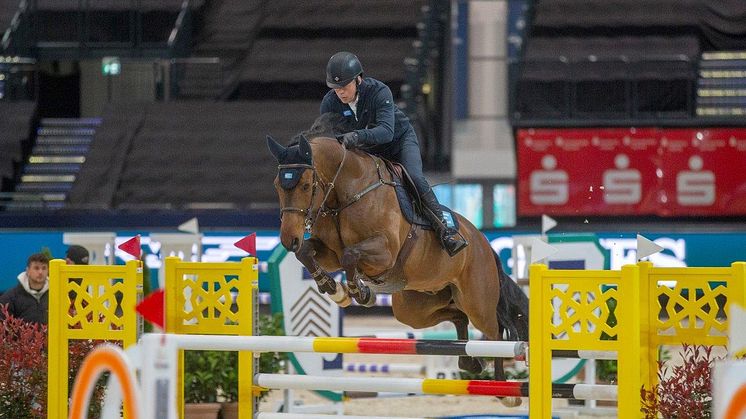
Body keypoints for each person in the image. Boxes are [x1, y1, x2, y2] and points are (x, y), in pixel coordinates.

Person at [320, 51, 468, 256]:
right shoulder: (329, 103)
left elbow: (386, 132)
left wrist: (356, 136)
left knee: (414, 177)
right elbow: (337, 140)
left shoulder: (379, 92)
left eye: (344, 87)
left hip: (398, 142)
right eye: (336, 89)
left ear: (358, 79)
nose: (340, 93)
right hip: (367, 152)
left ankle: (445, 230)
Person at [0, 253, 50, 325]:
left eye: (44, 268)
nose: (40, 272)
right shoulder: (10, 298)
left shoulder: (55, 294)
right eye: (36, 268)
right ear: (28, 270)